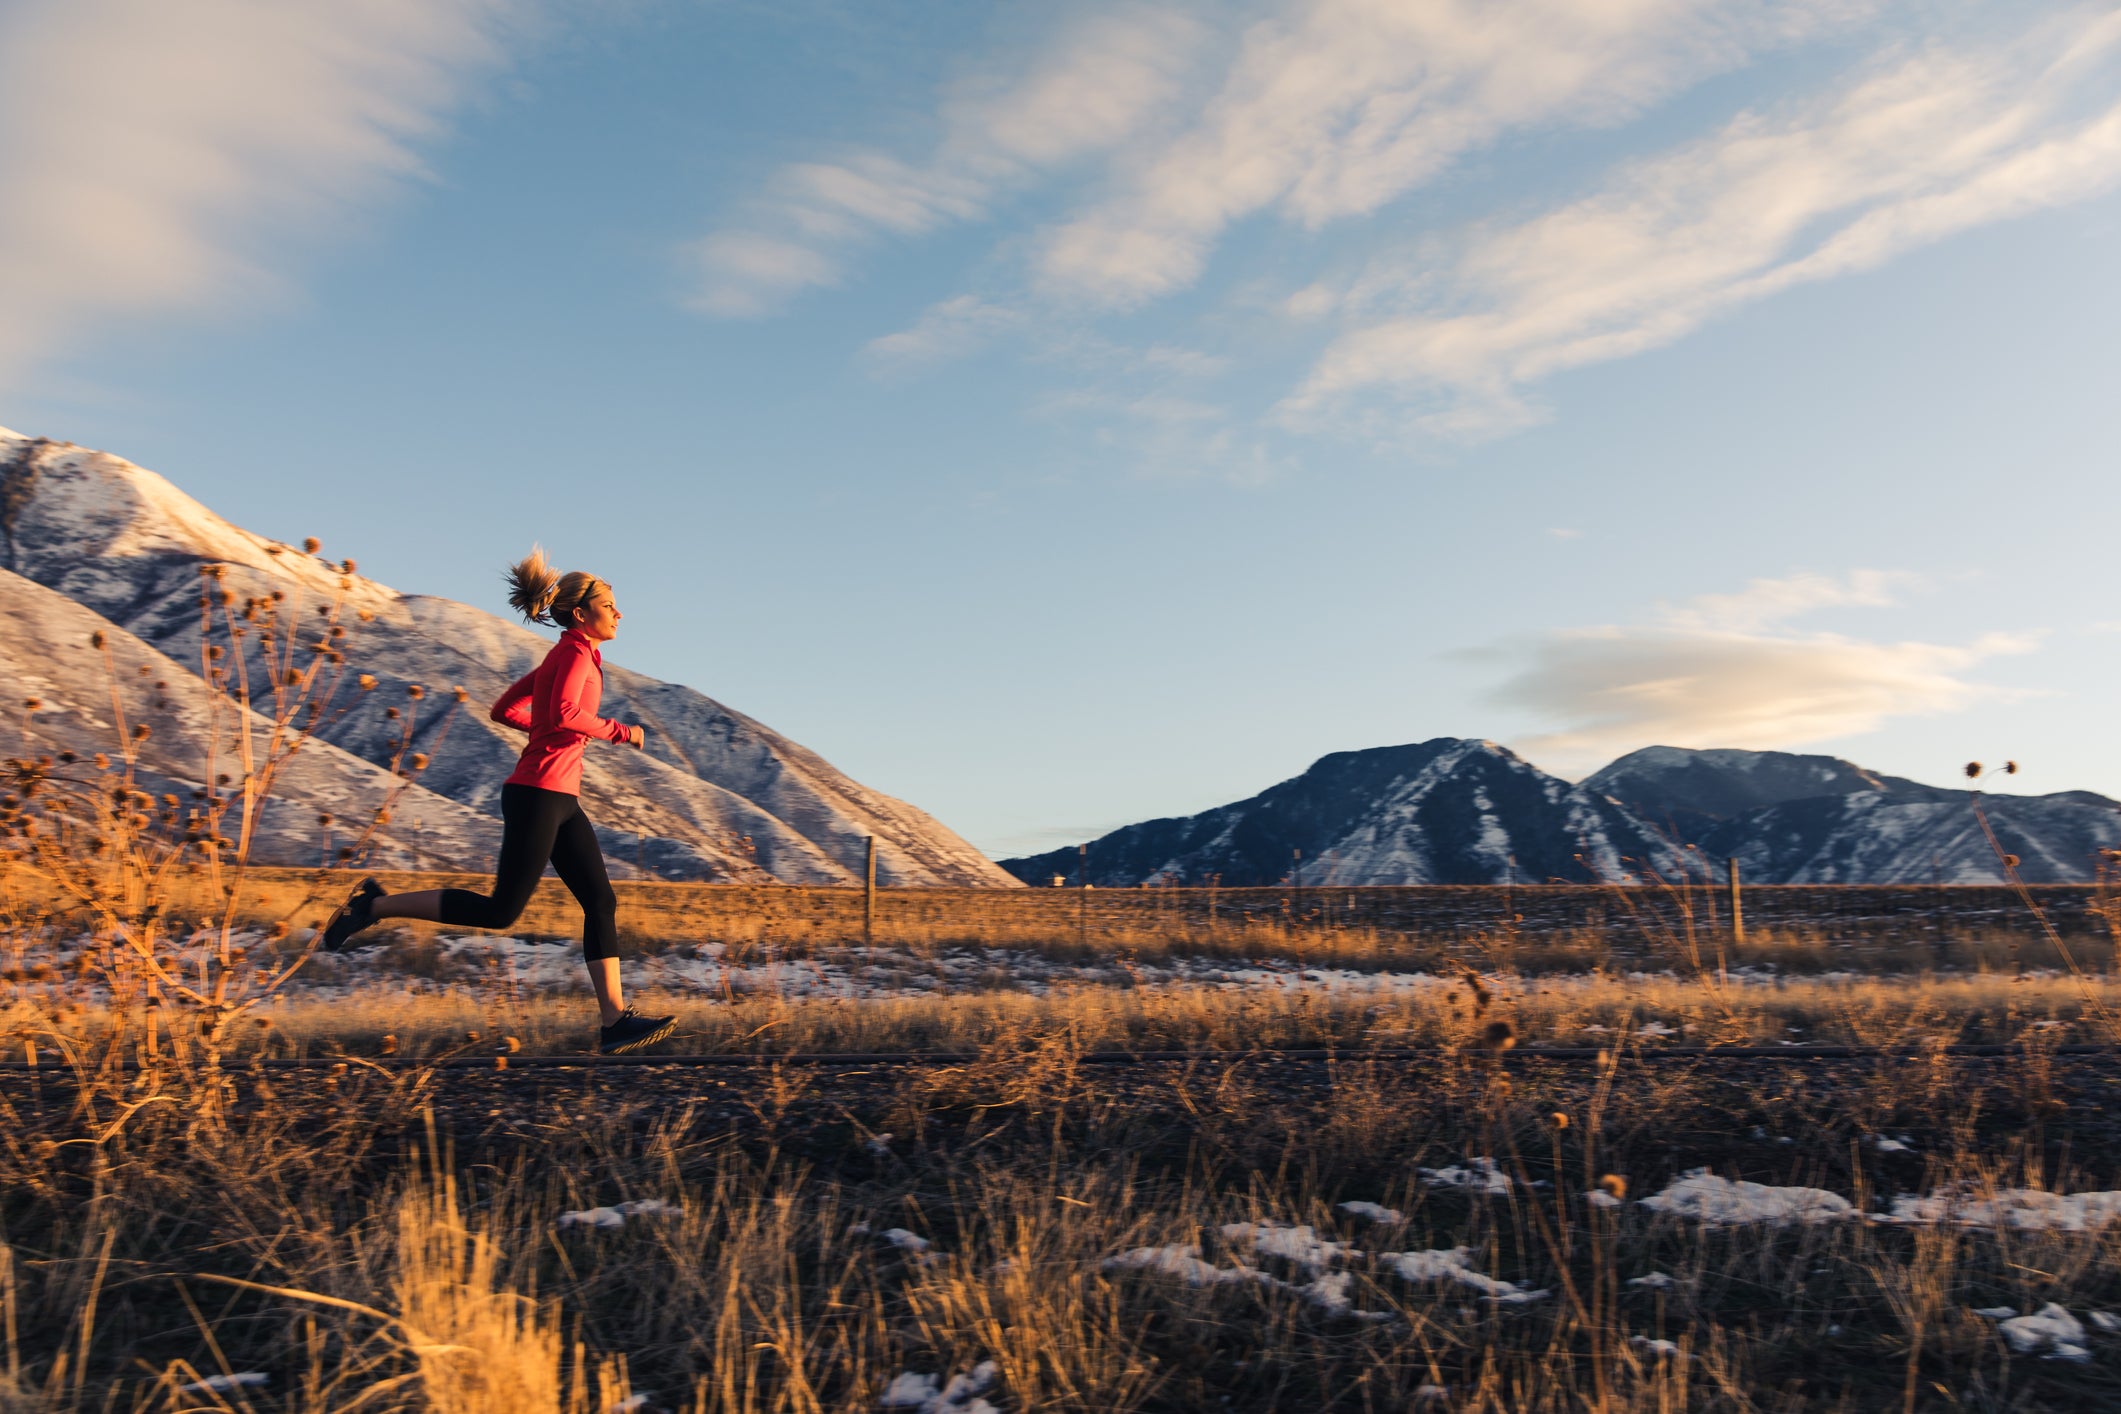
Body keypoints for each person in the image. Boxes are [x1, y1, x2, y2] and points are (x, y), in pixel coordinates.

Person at [317, 547, 678, 1055]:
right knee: (500, 911)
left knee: (601, 901)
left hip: (560, 796)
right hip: (538, 795)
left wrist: (548, 728)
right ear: (581, 614)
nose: (619, 612)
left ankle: (615, 1021)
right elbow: (569, 713)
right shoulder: (573, 654)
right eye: (610, 603)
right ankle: (372, 906)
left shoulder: (566, 655)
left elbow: (506, 710)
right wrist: (621, 731)